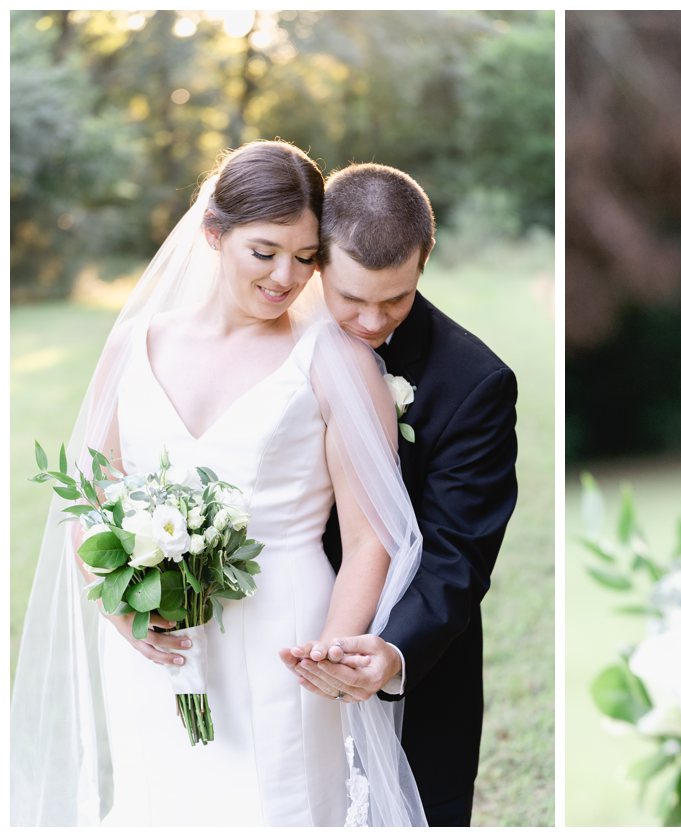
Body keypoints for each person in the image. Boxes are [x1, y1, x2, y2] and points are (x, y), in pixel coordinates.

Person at [11, 141, 428, 826]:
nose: (285, 277)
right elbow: (93, 488)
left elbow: (371, 538)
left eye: (304, 258)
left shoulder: (336, 361)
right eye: (264, 252)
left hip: (283, 639)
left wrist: (327, 650)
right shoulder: (135, 343)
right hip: (155, 643)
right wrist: (118, 605)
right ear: (214, 233)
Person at [277, 163, 520, 827]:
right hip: (276, 629)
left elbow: (459, 550)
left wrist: (393, 652)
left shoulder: (476, 383)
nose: (372, 319)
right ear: (320, 257)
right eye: (352, 296)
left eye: (397, 298)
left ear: (426, 260)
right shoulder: (272, 346)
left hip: (413, 663)